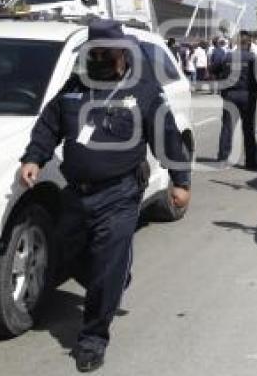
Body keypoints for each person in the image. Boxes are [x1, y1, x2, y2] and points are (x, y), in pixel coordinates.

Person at [19, 19, 191, 373]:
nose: (109, 59)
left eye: (114, 53)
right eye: (100, 53)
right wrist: (34, 157)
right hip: (75, 195)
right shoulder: (74, 86)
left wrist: (180, 181)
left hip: (119, 194)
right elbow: (50, 124)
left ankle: (92, 339)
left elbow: (167, 135)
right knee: (65, 254)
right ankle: (113, 279)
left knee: (106, 268)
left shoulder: (142, 90)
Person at [215, 30, 257, 170]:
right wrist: (255, 95)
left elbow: (216, 72)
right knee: (248, 130)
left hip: (230, 95)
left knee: (227, 128)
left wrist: (223, 90)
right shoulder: (253, 58)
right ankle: (250, 162)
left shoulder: (227, 57)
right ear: (249, 43)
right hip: (247, 97)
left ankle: (222, 159)